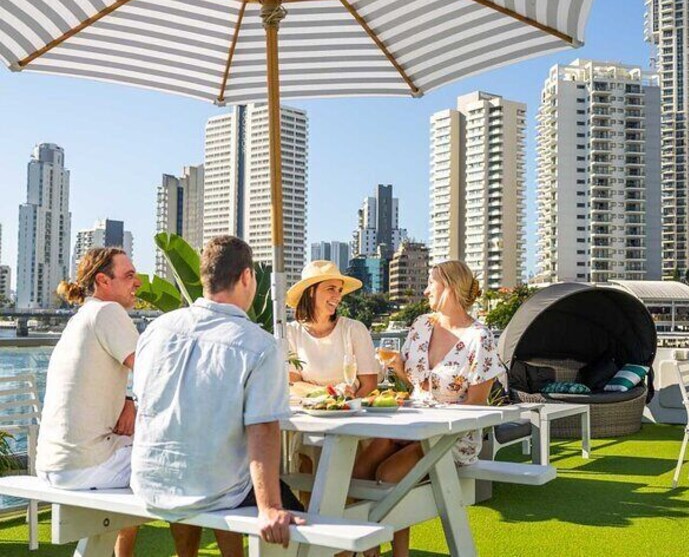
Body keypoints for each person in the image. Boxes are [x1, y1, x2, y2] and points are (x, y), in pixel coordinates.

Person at [131, 236, 304, 557]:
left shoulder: (156, 330)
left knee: (207, 463)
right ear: (247, 277)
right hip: (214, 489)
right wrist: (270, 507)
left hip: (150, 482)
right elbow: (263, 428)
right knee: (309, 527)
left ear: (205, 278)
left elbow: (143, 400)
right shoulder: (260, 345)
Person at [354, 260, 507, 557]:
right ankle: (369, 549)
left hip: (450, 436)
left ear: (449, 287)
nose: (425, 291)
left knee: (389, 474)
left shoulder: (479, 338)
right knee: (360, 469)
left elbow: (476, 404)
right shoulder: (421, 325)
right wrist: (397, 367)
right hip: (411, 422)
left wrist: (433, 421)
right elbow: (416, 382)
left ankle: (397, 553)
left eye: (430, 283)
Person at [35, 247, 141, 557]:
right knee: (179, 462)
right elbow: (156, 373)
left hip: (54, 464)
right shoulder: (109, 312)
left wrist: (128, 398)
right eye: (129, 276)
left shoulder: (82, 318)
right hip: (86, 466)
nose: (137, 283)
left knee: (139, 450)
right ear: (103, 281)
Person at [286, 260, 379, 398]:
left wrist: (346, 406)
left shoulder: (354, 329)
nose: (338, 296)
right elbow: (292, 384)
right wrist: (330, 393)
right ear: (311, 291)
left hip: (351, 408)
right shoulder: (291, 332)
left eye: (340, 290)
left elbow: (369, 385)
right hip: (307, 409)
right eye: (331, 289)